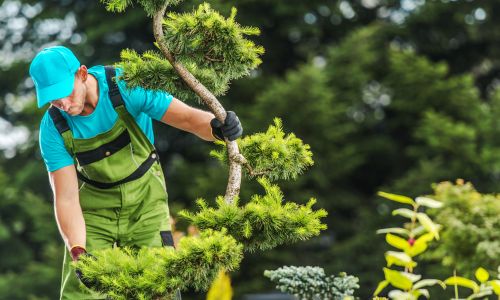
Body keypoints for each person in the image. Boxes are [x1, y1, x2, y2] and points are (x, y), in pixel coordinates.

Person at [29, 45, 242, 299]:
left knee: (160, 285)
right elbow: (66, 197)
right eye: (53, 99)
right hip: (95, 214)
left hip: (146, 203)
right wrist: (78, 250)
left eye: (65, 93)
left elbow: (186, 119)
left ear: (82, 74)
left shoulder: (126, 85)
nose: (62, 104)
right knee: (80, 291)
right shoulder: (53, 127)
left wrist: (217, 128)